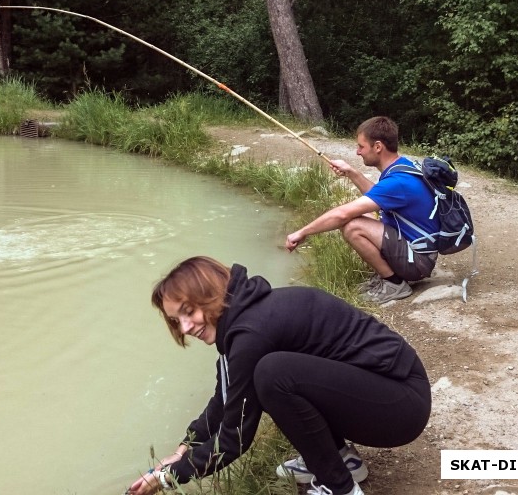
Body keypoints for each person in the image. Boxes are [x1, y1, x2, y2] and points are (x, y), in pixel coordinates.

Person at [125, 256, 431, 495]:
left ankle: (339, 486)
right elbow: (225, 397)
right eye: (176, 321)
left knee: (272, 375)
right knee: (267, 375)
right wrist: (185, 448)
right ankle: (342, 461)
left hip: (401, 406)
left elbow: (234, 439)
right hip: (388, 396)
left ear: (211, 293)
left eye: (188, 311)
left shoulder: (250, 334)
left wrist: (168, 477)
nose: (186, 328)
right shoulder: (246, 320)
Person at [285, 116, 439, 303]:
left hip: (418, 262)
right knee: (362, 213)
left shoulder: (397, 182)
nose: (358, 152)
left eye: (361, 146)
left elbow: (342, 214)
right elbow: (378, 195)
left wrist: (302, 232)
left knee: (353, 226)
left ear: (378, 147)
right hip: (416, 250)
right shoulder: (402, 166)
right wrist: (352, 172)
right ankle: (388, 274)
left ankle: (394, 284)